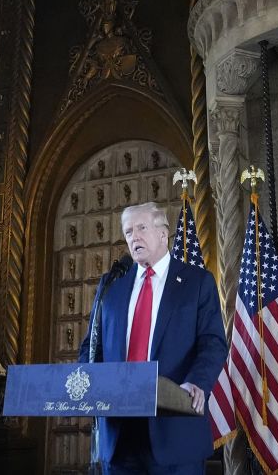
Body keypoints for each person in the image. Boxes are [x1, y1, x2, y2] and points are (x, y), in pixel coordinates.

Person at [79, 201, 227, 475]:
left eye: (141, 228)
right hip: (119, 437)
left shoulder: (196, 282)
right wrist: (93, 388)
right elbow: (92, 347)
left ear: (163, 233)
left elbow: (213, 341)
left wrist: (197, 381)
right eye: (128, 232)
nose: (134, 237)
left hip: (175, 433)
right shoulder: (112, 285)